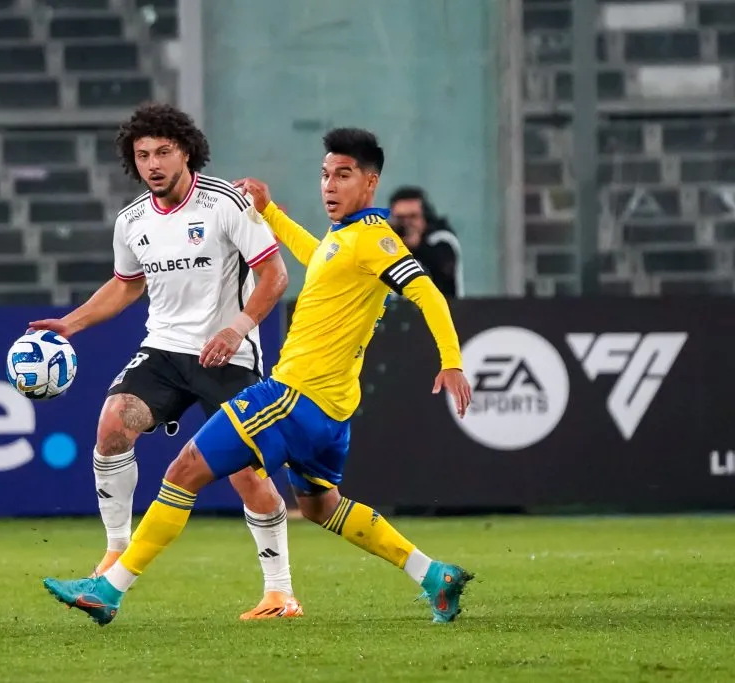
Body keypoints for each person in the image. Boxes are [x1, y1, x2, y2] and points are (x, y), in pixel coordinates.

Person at [41, 128, 474, 627]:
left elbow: (426, 292)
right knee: (321, 508)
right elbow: (317, 259)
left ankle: (109, 589)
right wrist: (272, 213)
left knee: (184, 471)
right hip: (331, 410)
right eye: (325, 174)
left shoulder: (377, 240)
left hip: (293, 397)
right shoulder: (349, 239)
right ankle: (431, 573)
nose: (329, 186)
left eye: (344, 175)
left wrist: (451, 360)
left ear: (371, 182)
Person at [28, 103, 303, 620]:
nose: (152, 163)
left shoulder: (227, 203)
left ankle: (279, 592)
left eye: (163, 152)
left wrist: (237, 327)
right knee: (112, 424)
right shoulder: (132, 220)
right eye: (142, 155)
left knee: (246, 476)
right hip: (164, 352)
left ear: (186, 152)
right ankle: (113, 554)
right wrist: (72, 323)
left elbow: (275, 277)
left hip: (230, 357)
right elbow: (127, 285)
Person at [388, 186, 462, 298]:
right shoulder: (388, 243)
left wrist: (418, 247)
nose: (407, 223)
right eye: (401, 218)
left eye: (413, 217)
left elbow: (443, 271)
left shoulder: (442, 239)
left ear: (425, 217)